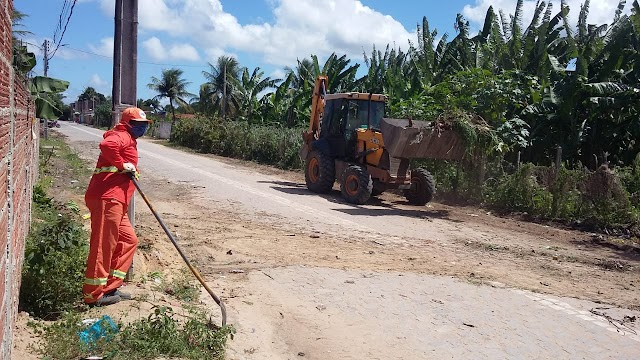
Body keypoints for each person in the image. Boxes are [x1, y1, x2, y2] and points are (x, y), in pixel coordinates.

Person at [83, 107, 151, 306]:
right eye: (138, 125)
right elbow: (106, 145)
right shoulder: (121, 135)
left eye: (144, 125)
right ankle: (93, 295)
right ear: (128, 124)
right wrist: (122, 165)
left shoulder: (130, 139)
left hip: (117, 201)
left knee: (129, 240)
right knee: (103, 246)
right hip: (107, 199)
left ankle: (111, 287)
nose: (142, 129)